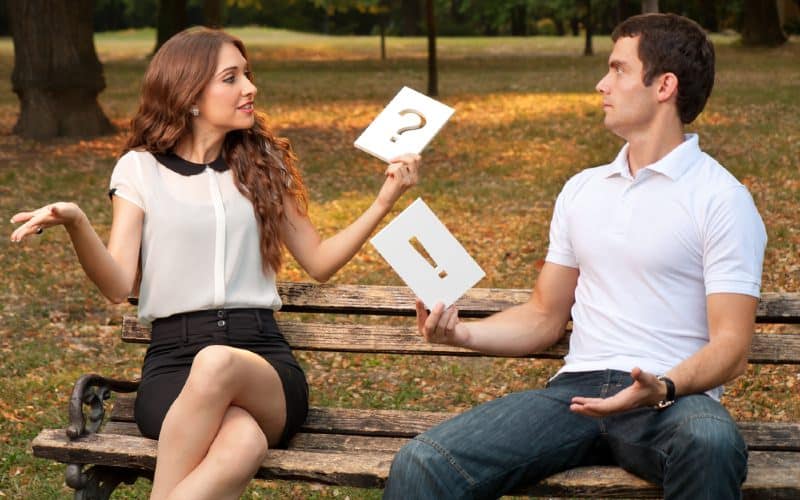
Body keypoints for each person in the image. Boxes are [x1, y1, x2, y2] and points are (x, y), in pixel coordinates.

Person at [10, 28, 421, 500]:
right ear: (189, 95)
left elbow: (321, 262)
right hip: (172, 368)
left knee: (218, 360)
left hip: (262, 363)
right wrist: (79, 223)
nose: (250, 88)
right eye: (232, 78)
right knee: (242, 442)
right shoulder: (140, 170)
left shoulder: (264, 163)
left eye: (247, 75)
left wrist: (385, 199)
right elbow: (118, 285)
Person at [384, 13, 766, 500]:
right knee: (423, 465)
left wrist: (664, 386)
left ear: (664, 85)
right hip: (575, 395)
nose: (601, 83)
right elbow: (545, 316)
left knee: (711, 441)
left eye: (619, 70)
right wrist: (459, 333)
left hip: (669, 402)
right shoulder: (582, 190)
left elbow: (732, 346)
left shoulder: (721, 199)